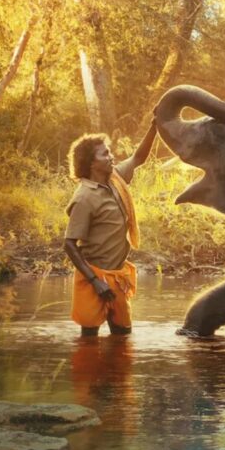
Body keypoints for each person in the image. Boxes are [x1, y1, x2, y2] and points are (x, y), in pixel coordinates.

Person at [64, 121, 158, 336]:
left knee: (122, 336)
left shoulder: (114, 179)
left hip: (117, 276)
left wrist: (154, 127)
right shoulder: (84, 198)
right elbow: (69, 244)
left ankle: (115, 372)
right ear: (91, 163)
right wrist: (95, 281)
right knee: (88, 342)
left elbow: (138, 158)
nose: (111, 156)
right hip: (94, 278)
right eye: (105, 154)